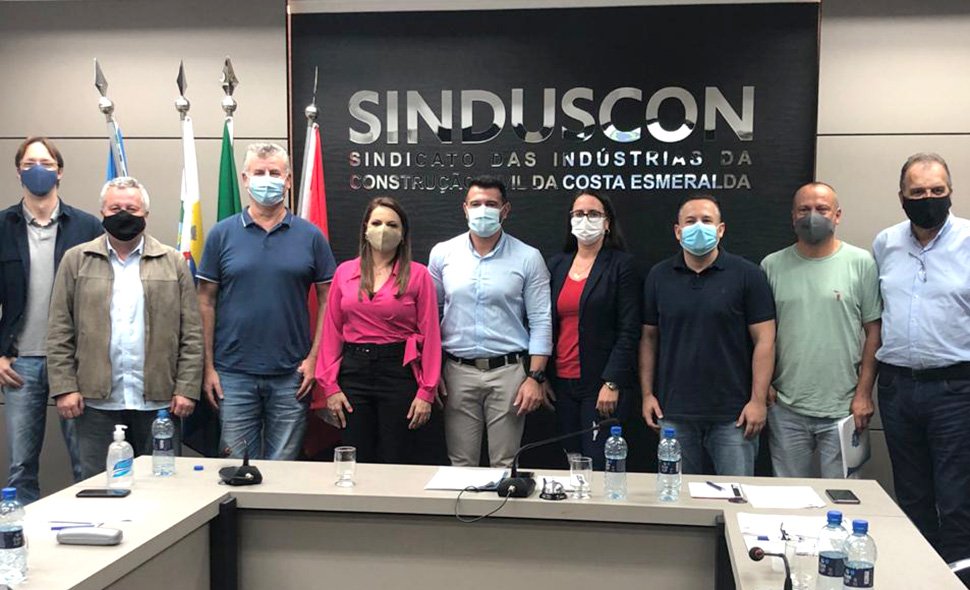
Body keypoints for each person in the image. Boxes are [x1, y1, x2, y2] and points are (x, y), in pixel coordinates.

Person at [47, 177, 202, 478]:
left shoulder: (172, 262)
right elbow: (59, 329)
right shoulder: (76, 260)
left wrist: (186, 388)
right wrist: (64, 387)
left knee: (162, 487)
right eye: (115, 208)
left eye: (131, 209)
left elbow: (192, 333)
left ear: (146, 214)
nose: (123, 215)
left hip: (159, 402)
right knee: (98, 485)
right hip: (94, 402)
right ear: (102, 212)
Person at [197, 143, 336, 460]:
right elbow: (205, 302)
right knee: (236, 469)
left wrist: (315, 359)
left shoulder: (311, 236)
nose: (267, 179)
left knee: (285, 472)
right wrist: (208, 367)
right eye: (259, 173)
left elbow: (329, 299)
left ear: (288, 180)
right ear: (245, 179)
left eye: (275, 173)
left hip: (292, 374)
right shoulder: (221, 234)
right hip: (233, 374)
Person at [873, 152, 970, 566]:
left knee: (956, 495)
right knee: (911, 493)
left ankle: (959, 575)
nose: (927, 198)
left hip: (956, 389)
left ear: (950, 192)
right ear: (901, 197)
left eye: (936, 190)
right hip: (897, 388)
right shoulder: (885, 243)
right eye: (917, 192)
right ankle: (921, 573)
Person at [639, 195, 775, 476]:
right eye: (690, 221)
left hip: (734, 415)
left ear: (720, 229)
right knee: (677, 496)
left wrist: (758, 400)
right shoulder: (658, 276)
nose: (698, 227)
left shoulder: (748, 275)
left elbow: (765, 340)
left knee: (736, 495)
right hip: (673, 412)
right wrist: (647, 394)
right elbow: (649, 339)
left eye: (706, 220)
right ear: (678, 231)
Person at [0, 137, 101, 502]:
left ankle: (88, 525)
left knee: (86, 464)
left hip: (74, 362)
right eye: (29, 164)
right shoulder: (2, 226)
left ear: (60, 172)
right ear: (18, 172)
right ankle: (21, 532)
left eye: (45, 163)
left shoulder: (87, 227)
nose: (37, 170)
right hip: (20, 363)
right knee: (21, 465)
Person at [429, 175, 552, 467]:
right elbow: (431, 316)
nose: (482, 210)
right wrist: (431, 372)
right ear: (465, 208)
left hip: (508, 373)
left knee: (505, 464)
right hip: (457, 372)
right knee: (461, 464)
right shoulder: (443, 254)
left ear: (505, 210)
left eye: (491, 204)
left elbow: (541, 321)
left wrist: (535, 378)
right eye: (476, 204)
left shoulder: (528, 257)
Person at [761, 182, 881, 478]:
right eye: (804, 209)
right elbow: (761, 335)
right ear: (793, 216)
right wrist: (765, 385)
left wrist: (864, 394)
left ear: (837, 215)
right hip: (786, 407)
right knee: (788, 496)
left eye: (822, 209)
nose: (812, 216)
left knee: (842, 496)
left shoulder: (861, 263)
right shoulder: (771, 266)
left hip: (845, 408)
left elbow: (875, 333)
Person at [315, 197, 441, 463]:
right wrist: (330, 387)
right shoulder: (344, 272)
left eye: (392, 225)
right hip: (353, 373)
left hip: (398, 372)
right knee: (355, 456)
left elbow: (431, 336)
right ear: (365, 228)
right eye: (377, 223)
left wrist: (426, 392)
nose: (383, 230)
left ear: (403, 233)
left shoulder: (418, 275)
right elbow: (331, 332)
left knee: (396, 458)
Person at [546, 190, 640, 469]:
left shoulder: (622, 265)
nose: (585, 219)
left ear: (607, 223)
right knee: (572, 460)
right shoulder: (557, 265)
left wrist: (612, 382)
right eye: (578, 214)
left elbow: (629, 329)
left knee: (597, 463)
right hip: (562, 382)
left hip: (600, 384)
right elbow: (545, 323)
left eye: (593, 214)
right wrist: (541, 375)